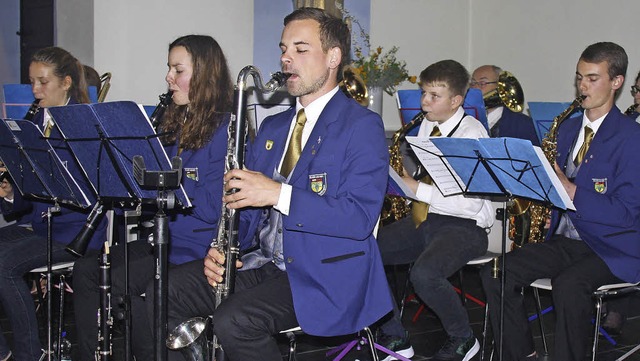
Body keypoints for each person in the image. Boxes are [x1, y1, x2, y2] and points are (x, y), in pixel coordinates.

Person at [161, 7, 392, 361]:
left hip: (326, 274)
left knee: (235, 320)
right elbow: (245, 209)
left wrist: (279, 193)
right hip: (265, 263)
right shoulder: (274, 128)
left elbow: (358, 218)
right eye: (284, 49)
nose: (286, 58)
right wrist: (222, 249)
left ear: (333, 57)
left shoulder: (361, 126)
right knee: (167, 289)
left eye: (300, 49)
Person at [72, 34, 233, 360]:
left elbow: (214, 208)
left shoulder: (224, 129)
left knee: (138, 291)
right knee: (88, 272)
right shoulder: (174, 124)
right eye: (169, 68)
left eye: (178, 69)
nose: (168, 77)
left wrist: (166, 184)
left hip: (196, 253)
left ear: (204, 75)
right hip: (162, 243)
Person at [480, 41, 640, 361]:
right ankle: (522, 354)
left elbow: (627, 214)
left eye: (593, 78)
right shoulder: (566, 129)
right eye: (579, 77)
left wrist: (572, 191)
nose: (582, 85)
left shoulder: (631, 138)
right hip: (569, 241)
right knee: (496, 272)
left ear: (617, 82)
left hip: (614, 247)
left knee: (569, 285)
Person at [375, 59, 494, 361]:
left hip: (465, 226)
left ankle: (464, 339)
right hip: (426, 219)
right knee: (365, 252)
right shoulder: (428, 124)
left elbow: (469, 203)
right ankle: (394, 336)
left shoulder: (472, 136)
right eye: (423, 94)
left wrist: (416, 190)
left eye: (433, 96)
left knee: (425, 274)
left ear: (456, 101)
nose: (424, 102)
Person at [0, 46, 107, 361]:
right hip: (42, 225)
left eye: (42, 82)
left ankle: (29, 354)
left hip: (76, 232)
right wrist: (9, 189)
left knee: (3, 266)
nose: (34, 90)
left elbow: (88, 193)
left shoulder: (85, 128)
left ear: (66, 83)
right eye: (32, 81)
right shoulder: (37, 124)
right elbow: (26, 202)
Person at [470, 65, 540, 146]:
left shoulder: (524, 125)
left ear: (500, 86)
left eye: (482, 83)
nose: (475, 87)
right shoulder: (468, 119)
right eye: (473, 83)